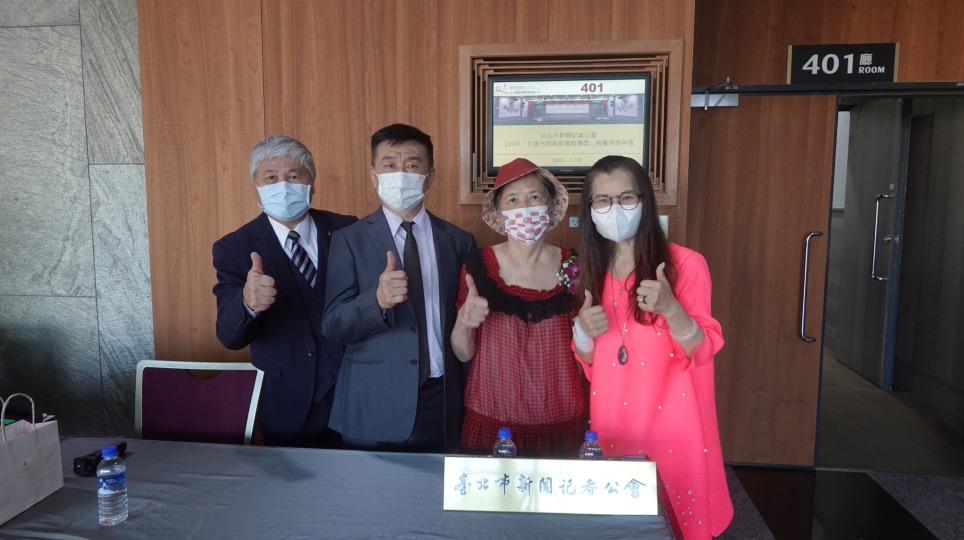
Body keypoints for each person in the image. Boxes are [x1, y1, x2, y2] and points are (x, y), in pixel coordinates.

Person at [572, 156, 733, 539]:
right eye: (603, 200)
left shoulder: (684, 264)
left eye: (626, 197)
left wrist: (672, 310)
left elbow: (702, 350)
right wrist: (582, 334)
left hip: (676, 424)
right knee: (621, 526)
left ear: (645, 200)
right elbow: (594, 366)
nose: (615, 209)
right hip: (613, 422)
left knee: (677, 523)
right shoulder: (591, 270)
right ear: (590, 210)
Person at [322, 123, 478, 452]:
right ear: (374, 176)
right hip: (373, 401)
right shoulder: (349, 240)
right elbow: (333, 326)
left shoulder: (458, 241)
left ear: (430, 177)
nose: (401, 173)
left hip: (441, 400)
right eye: (390, 164)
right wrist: (376, 301)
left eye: (412, 164)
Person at [213, 135, 357, 448]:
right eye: (271, 178)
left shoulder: (349, 230)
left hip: (355, 396)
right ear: (256, 188)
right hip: (288, 405)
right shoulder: (233, 248)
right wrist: (247, 303)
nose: (283, 186)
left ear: (312, 184)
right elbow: (229, 336)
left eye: (293, 176)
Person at [452, 157, 587, 457]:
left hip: (561, 421)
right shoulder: (478, 268)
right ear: (500, 215)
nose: (524, 207)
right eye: (512, 200)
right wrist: (464, 322)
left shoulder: (574, 266)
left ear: (550, 207)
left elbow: (587, 351)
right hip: (492, 423)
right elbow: (463, 353)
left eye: (534, 197)